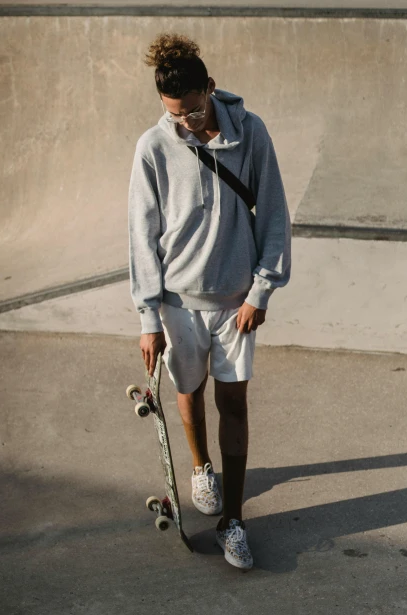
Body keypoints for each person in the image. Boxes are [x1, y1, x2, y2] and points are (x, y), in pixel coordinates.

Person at [128, 33, 291, 570]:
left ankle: (235, 520)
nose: (186, 124)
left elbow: (272, 215)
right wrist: (149, 317)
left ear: (210, 89)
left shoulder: (251, 133)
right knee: (188, 392)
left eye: (194, 111)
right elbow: (142, 236)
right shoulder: (154, 147)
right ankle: (201, 469)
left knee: (235, 402)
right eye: (175, 115)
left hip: (235, 301)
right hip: (178, 302)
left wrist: (262, 289)